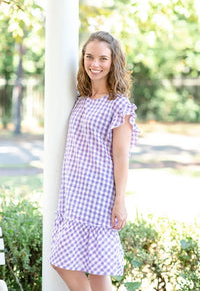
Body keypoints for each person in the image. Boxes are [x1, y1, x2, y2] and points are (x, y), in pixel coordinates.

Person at [49, 31, 139, 291]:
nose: (95, 64)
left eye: (103, 58)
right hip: (74, 192)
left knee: (97, 271)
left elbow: (121, 157)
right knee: (68, 262)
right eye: (90, 57)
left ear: (114, 62)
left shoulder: (118, 105)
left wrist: (119, 201)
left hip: (99, 195)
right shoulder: (80, 100)